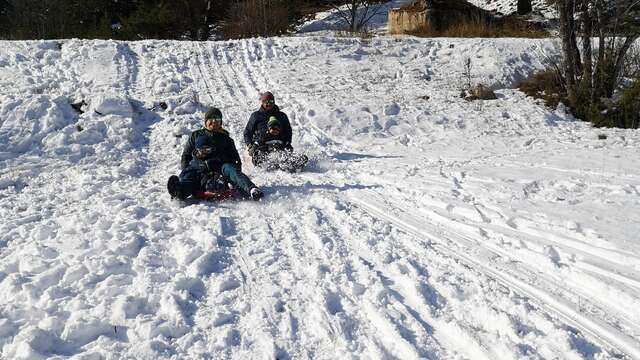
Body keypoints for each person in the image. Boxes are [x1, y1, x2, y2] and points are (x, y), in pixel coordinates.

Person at [167, 107, 263, 201]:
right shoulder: (196, 135)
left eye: (217, 119)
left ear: (220, 122)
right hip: (199, 167)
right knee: (189, 175)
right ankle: (179, 191)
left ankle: (252, 189)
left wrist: (233, 174)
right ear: (205, 121)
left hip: (219, 168)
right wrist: (186, 169)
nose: (214, 121)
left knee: (231, 169)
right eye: (211, 119)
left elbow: (236, 159)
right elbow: (186, 155)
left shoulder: (226, 138)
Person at [243, 91, 308, 172]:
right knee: (260, 160)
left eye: (271, 101)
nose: (268, 104)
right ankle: (270, 163)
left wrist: (287, 142)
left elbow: (288, 131)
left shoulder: (281, 116)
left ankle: (283, 162)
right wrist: (250, 146)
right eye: (266, 102)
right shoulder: (256, 116)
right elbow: (247, 132)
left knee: (302, 159)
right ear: (262, 102)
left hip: (279, 145)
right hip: (262, 146)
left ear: (274, 102)